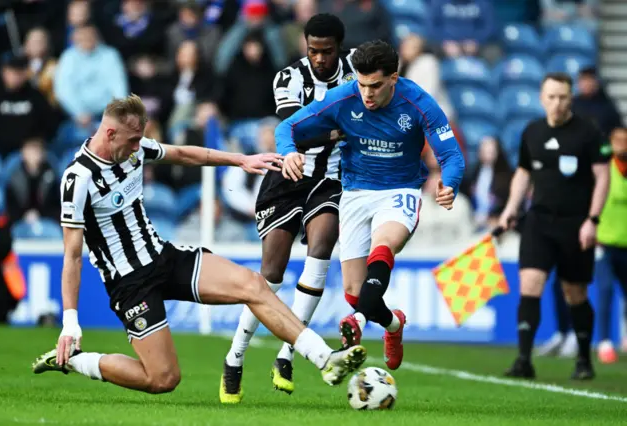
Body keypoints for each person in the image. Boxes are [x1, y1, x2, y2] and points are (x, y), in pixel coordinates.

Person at [31, 94, 367, 396]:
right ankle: (76, 361)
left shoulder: (135, 149)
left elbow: (181, 154)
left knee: (254, 285)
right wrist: (70, 323)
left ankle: (326, 358)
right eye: (133, 140)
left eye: (140, 140)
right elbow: (72, 256)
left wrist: (239, 160)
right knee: (163, 379)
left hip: (163, 258)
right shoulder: (79, 179)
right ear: (109, 134)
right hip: (130, 284)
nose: (139, 148)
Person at [276, 40, 465, 371]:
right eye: (362, 84)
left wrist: (449, 183)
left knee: (384, 244)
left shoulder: (419, 102)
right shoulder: (344, 96)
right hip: (355, 194)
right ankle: (393, 324)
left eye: (375, 85)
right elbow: (287, 126)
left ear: (394, 77)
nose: (367, 94)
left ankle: (359, 320)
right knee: (354, 291)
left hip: (400, 190)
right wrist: (289, 150)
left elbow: (451, 155)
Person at [221, 14, 357, 402]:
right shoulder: (288, 78)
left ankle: (287, 352)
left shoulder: (354, 75)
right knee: (271, 276)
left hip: (329, 178)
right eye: (312, 50)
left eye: (326, 52)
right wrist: (338, 128)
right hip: (286, 177)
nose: (319, 58)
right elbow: (295, 128)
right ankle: (235, 357)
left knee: (322, 245)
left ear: (339, 49)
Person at [498, 73, 610, 380]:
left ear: (570, 98)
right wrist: (510, 208)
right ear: (541, 98)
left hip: (576, 224)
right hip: (539, 221)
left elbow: (603, 176)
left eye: (562, 97)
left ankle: (584, 359)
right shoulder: (532, 132)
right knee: (529, 287)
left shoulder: (588, 132)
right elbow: (523, 173)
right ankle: (523, 360)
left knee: (574, 293)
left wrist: (593, 220)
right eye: (551, 96)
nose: (557, 103)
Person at [595, 127, 627, 364]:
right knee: (605, 291)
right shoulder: (604, 169)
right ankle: (605, 342)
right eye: (618, 141)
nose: (622, 145)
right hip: (605, 242)